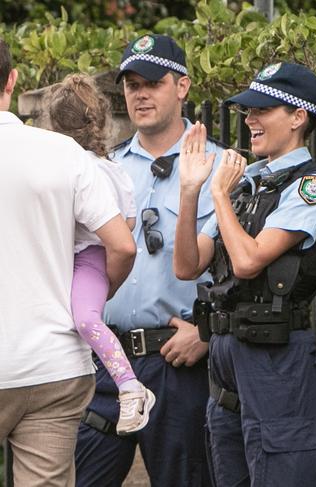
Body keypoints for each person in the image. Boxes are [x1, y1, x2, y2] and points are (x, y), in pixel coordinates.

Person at [173, 62, 316, 486]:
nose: (249, 119)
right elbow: (186, 264)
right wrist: (190, 191)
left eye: (262, 109)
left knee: (280, 469)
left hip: (274, 352)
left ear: (297, 117)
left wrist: (218, 193)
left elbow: (250, 260)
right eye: (247, 110)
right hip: (228, 349)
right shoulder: (248, 182)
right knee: (229, 470)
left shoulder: (311, 186)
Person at [74, 34, 224, 486]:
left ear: (182, 87)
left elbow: (238, 268)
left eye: (153, 82)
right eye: (131, 84)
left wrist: (209, 329)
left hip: (177, 361)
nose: (140, 93)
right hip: (107, 359)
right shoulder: (104, 167)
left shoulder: (219, 167)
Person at [0, 38, 135, 486]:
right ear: (12, 79)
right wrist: (93, 299)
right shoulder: (64, 154)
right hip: (53, 366)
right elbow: (122, 245)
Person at [48, 73, 156, 436]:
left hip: (87, 256)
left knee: (86, 319)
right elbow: (127, 220)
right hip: (79, 256)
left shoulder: (72, 168)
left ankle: (130, 386)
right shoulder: (115, 170)